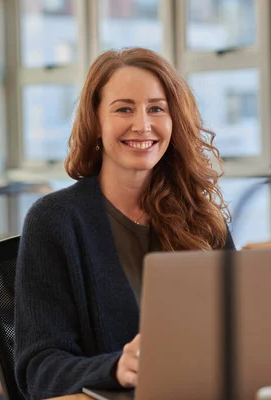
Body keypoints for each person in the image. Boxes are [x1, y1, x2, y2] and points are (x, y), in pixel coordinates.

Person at [14, 47, 236, 400]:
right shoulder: (54, 221)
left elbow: (238, 331)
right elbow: (38, 370)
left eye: (156, 108)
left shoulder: (201, 218)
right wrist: (115, 368)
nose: (142, 125)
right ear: (96, 121)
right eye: (124, 109)